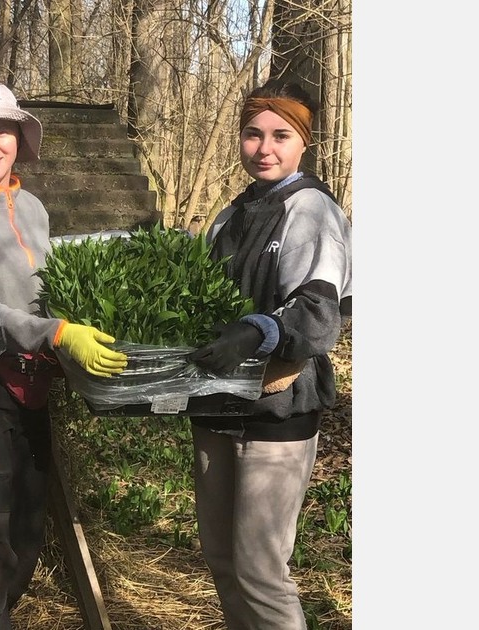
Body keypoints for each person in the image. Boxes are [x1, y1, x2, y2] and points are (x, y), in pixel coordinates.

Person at [0, 82, 128, 630]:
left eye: (1, 131)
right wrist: (56, 333)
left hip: (33, 386)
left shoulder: (32, 207)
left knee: (25, 540)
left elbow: (47, 287)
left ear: (19, 138)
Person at [187, 78, 352, 630]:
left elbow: (319, 314)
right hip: (215, 405)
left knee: (260, 569)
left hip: (276, 411)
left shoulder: (311, 210)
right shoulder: (231, 214)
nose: (264, 148)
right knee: (222, 559)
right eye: (252, 134)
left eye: (281, 135)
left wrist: (255, 331)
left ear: (305, 141)